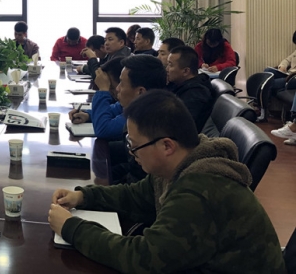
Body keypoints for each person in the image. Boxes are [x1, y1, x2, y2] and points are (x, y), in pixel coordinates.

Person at [49, 90, 286, 274]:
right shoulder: (182, 163)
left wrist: (71, 228)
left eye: (135, 145)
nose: (131, 152)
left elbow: (143, 259)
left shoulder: (198, 192)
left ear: (167, 146)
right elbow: (135, 195)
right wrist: (84, 196)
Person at [68, 58, 123, 139]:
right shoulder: (126, 105)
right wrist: (87, 115)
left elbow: (103, 130)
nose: (117, 89)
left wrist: (103, 90)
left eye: (111, 87)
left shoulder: (139, 112)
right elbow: (112, 111)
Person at [166, 46, 215, 131]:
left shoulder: (195, 94)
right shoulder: (182, 85)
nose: (167, 69)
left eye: (170, 65)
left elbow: (180, 126)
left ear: (186, 71)